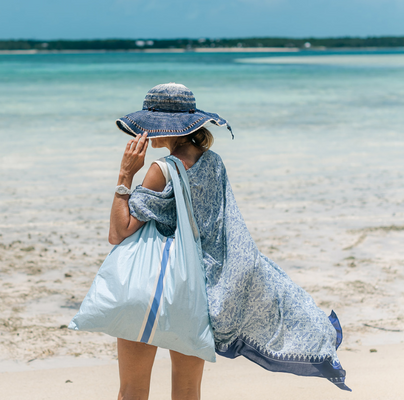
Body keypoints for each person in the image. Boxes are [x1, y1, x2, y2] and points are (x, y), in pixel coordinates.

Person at [108, 83, 350, 399]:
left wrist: (126, 175)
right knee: (187, 390)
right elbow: (221, 231)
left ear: (161, 125)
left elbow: (118, 232)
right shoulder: (214, 162)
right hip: (195, 293)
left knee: (132, 391)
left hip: (150, 288)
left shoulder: (160, 170)